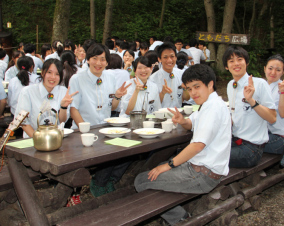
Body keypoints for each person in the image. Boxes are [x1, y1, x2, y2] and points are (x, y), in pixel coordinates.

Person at [134, 64, 231, 225]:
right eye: (189, 88)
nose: (193, 93)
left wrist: (170, 165)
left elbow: (197, 145)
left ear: (210, 84)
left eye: (197, 87)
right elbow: (191, 124)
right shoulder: (209, 104)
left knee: (141, 181)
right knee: (156, 169)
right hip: (204, 169)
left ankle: (180, 219)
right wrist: (182, 120)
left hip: (202, 174)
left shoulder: (212, 108)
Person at [69, 43, 131, 197]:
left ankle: (108, 180)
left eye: (102, 59)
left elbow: (112, 107)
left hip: (106, 128)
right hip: (84, 131)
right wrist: (84, 130)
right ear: (88, 59)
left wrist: (117, 96)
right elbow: (73, 108)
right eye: (94, 58)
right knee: (105, 155)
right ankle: (99, 184)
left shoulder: (109, 76)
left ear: (107, 62)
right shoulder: (77, 78)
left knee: (130, 151)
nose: (98, 63)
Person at [223, 46, 276, 168]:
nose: (236, 63)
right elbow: (234, 115)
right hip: (235, 141)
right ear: (226, 66)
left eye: (239, 59)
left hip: (251, 149)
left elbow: (272, 118)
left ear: (246, 62)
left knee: (212, 156)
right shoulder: (231, 85)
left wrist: (251, 101)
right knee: (202, 148)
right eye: (231, 61)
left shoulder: (259, 84)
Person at [15, 59, 77, 138]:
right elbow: (23, 122)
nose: (53, 77)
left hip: (56, 139)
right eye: (49, 72)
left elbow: (62, 121)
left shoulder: (63, 91)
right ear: (43, 72)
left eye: (57, 74)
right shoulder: (28, 92)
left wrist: (63, 107)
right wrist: (38, 139)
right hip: (32, 140)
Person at [263, 54, 284, 155]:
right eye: (270, 68)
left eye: (278, 70)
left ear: (283, 72)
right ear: (265, 69)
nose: (273, 72)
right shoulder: (264, 86)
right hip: (272, 133)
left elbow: (283, 114)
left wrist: (282, 92)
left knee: (250, 144)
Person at [149, 43, 189, 108]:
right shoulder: (153, 79)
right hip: (161, 115)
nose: (169, 60)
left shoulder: (181, 74)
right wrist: (162, 93)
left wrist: (185, 89)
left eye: (172, 56)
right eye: (165, 57)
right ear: (159, 59)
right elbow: (152, 105)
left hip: (178, 113)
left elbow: (186, 98)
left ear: (176, 57)